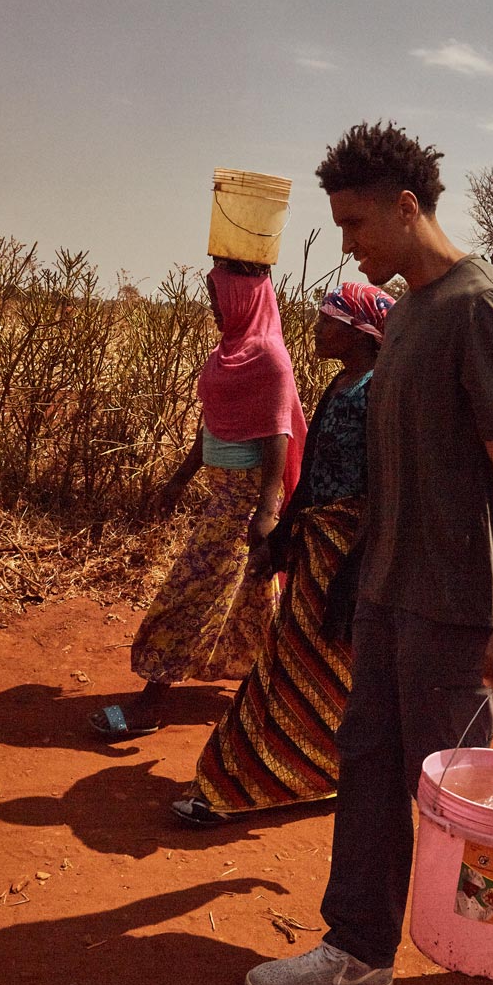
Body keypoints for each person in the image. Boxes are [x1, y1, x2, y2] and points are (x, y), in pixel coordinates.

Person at [245, 122, 493, 985]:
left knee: (451, 785)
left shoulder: (480, 306)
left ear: (407, 207)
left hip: (455, 602)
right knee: (369, 761)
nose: (346, 242)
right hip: (387, 589)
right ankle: (359, 953)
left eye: (355, 223)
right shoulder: (410, 309)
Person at [171, 281, 395, 825]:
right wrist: (283, 536)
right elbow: (313, 464)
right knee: (296, 660)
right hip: (319, 545)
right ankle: (276, 774)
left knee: (307, 664)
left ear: (361, 333)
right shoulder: (342, 386)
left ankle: (268, 780)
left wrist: (354, 565)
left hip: (349, 551)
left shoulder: (376, 394)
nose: (318, 330)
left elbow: (385, 487)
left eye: (329, 321)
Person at [90, 258, 307, 739]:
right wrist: (179, 479)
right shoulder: (228, 352)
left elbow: (279, 436)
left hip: (244, 503)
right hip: (222, 496)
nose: (212, 306)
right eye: (212, 295)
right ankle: (273, 698)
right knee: (253, 600)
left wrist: (266, 512)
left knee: (188, 591)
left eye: (219, 297)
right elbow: (210, 422)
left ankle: (151, 704)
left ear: (244, 301)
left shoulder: (269, 357)